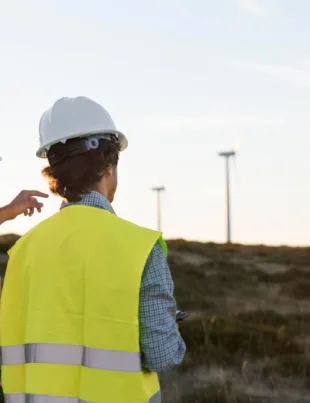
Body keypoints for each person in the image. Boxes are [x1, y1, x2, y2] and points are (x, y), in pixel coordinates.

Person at [0, 96, 186, 403]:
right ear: (109, 165)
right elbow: (162, 355)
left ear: (55, 176)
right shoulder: (140, 248)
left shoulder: (23, 251)